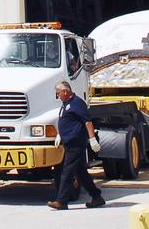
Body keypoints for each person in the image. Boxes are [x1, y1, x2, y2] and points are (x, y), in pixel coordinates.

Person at [48, 81, 105, 210]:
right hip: (68, 142)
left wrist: (92, 138)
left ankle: (61, 201)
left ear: (65, 92)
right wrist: (60, 134)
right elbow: (66, 121)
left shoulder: (77, 103)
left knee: (67, 172)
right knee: (81, 172)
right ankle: (96, 196)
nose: (58, 97)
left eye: (58, 94)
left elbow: (87, 122)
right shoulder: (66, 104)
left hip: (76, 143)